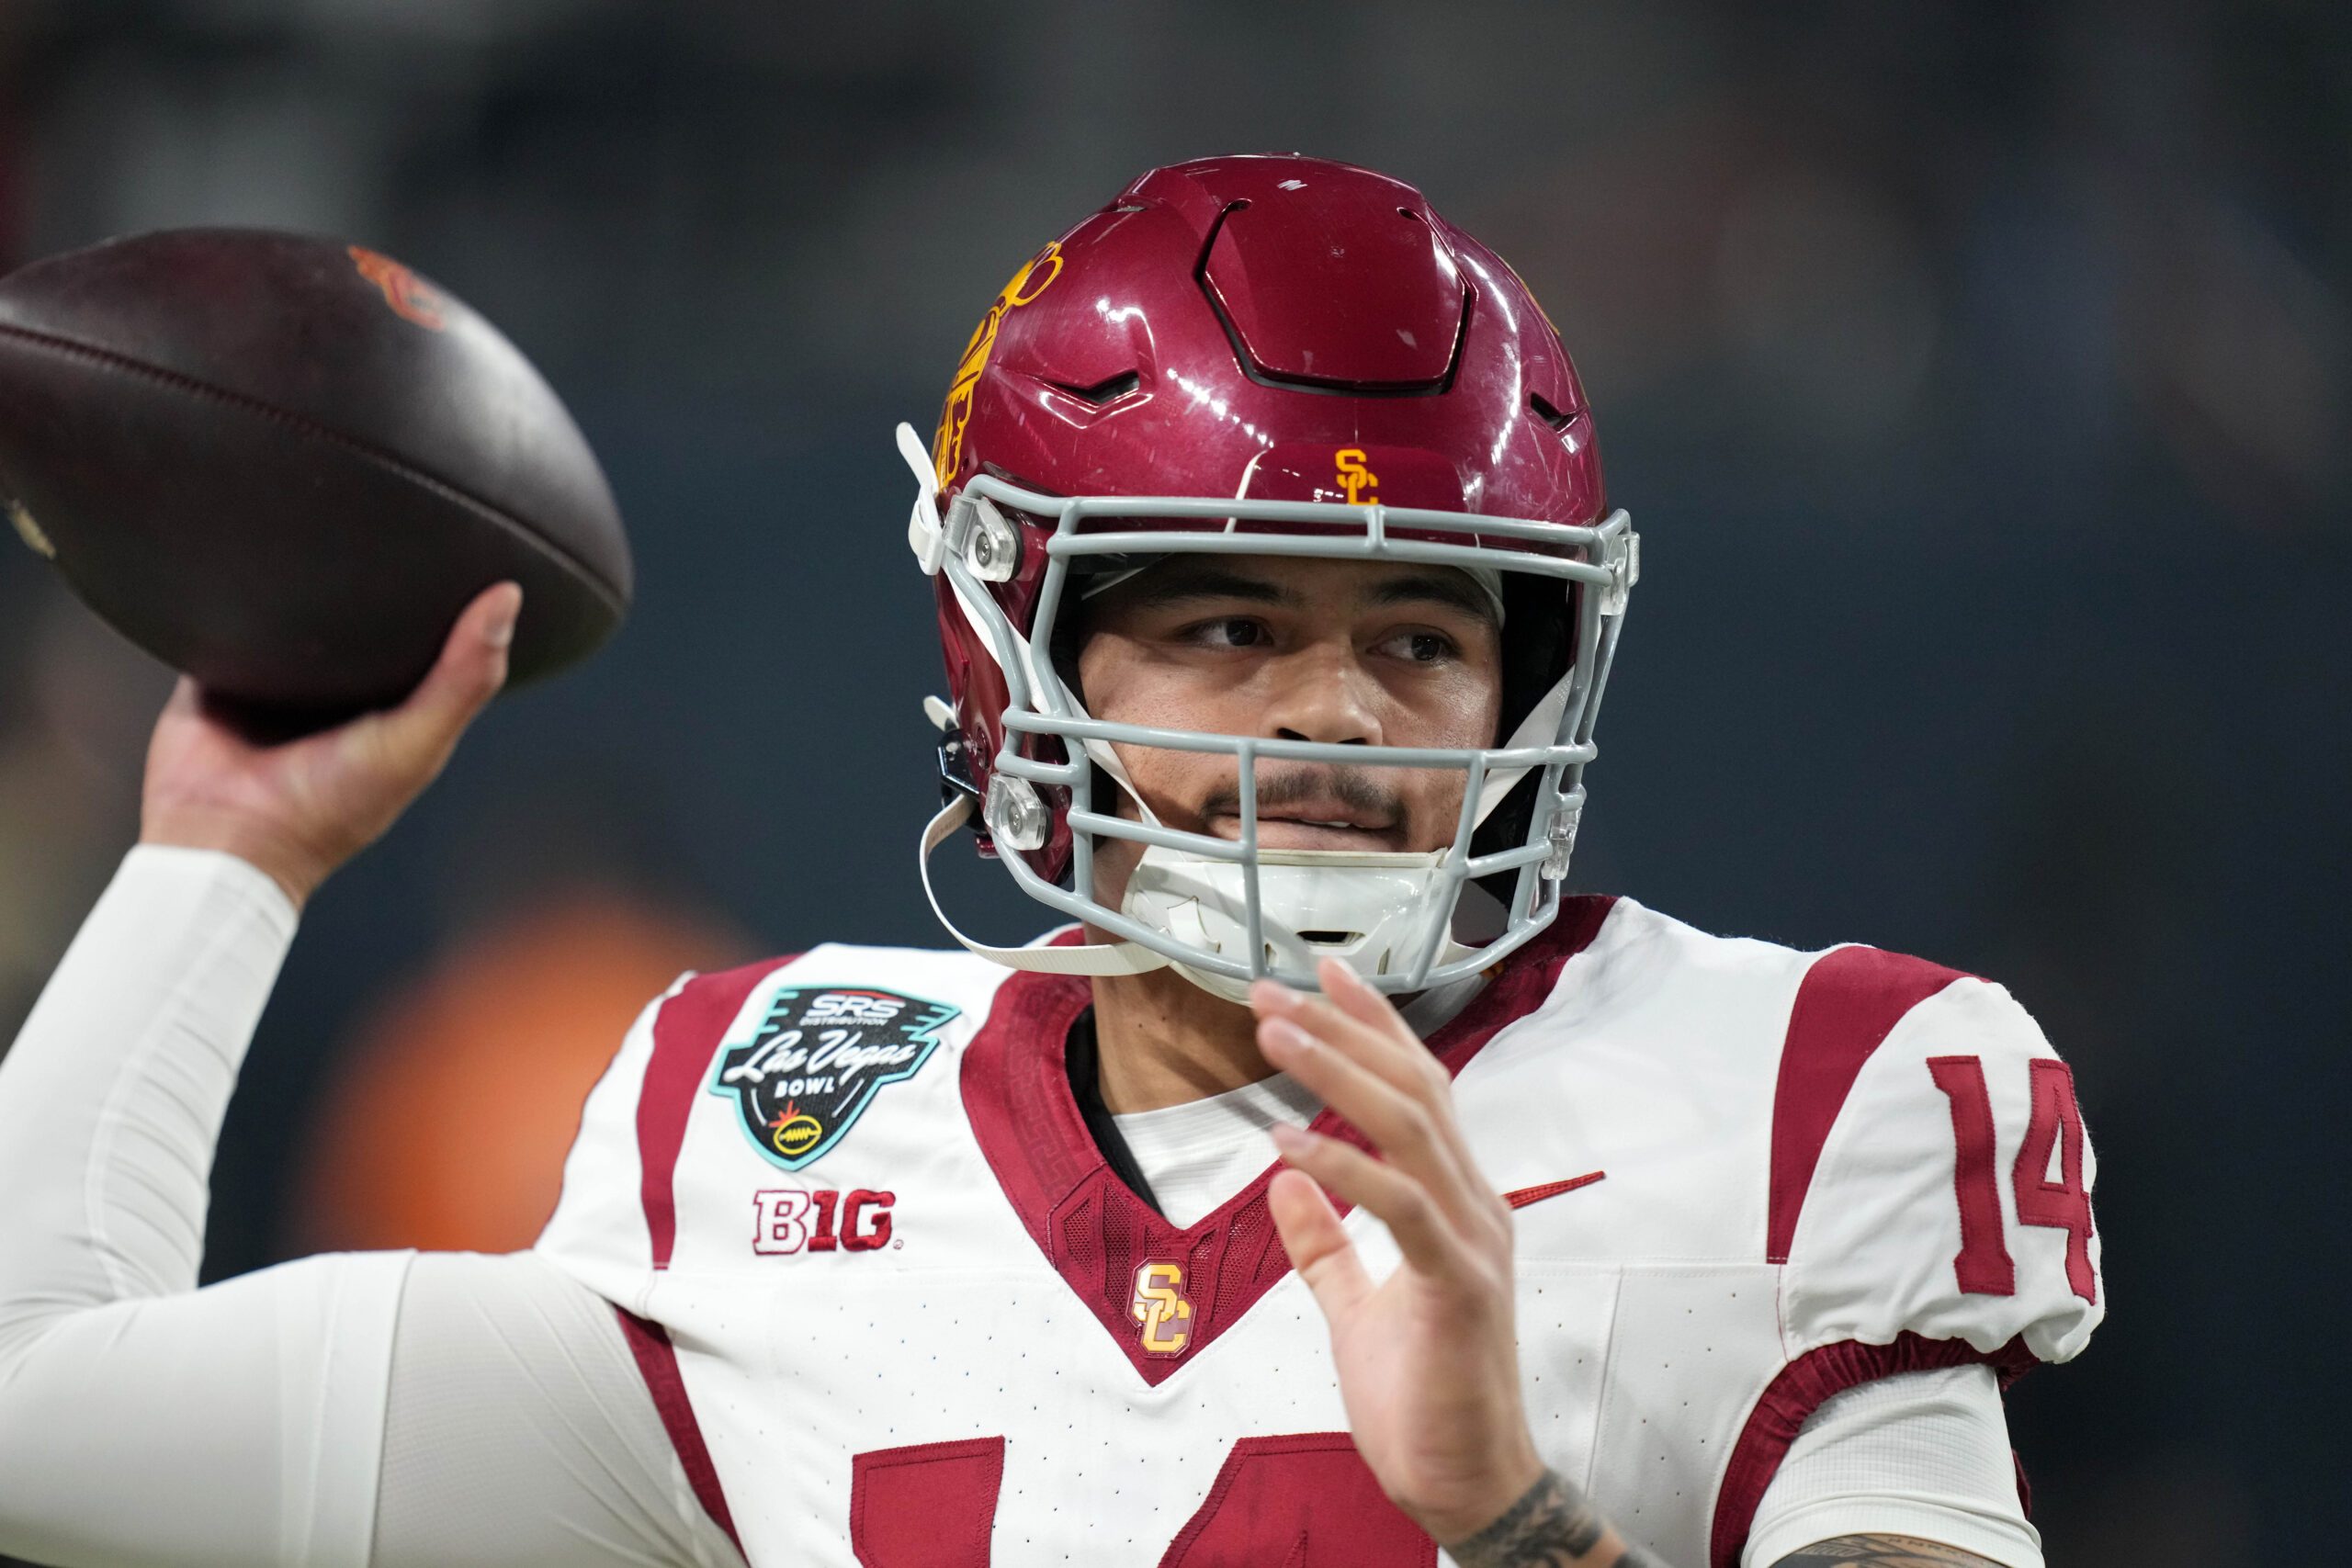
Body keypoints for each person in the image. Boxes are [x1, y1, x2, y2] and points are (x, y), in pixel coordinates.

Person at [0, 155, 2099, 1568]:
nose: (1334, 713)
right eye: (1223, 627)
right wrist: (225, 852)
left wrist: (1515, 1515)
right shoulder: (761, 1125)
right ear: (1015, 651)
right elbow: (30, 1415)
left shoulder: (1805, 1094)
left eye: (1419, 636)